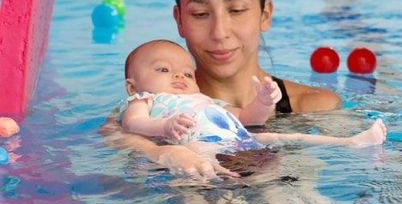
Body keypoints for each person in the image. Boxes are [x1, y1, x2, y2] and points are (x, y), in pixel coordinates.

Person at [102, 0, 345, 179]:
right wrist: (159, 152)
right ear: (179, 20)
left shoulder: (317, 107)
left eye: (237, 10)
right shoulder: (140, 116)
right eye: (200, 13)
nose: (219, 32)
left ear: (265, 14)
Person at [120, 40, 386, 172]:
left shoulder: (207, 102)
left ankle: (351, 142)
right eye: (164, 69)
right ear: (132, 86)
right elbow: (133, 123)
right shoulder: (146, 100)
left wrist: (262, 102)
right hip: (198, 148)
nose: (179, 76)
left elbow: (247, 118)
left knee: (283, 136)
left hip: (240, 138)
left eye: (187, 74)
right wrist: (163, 126)